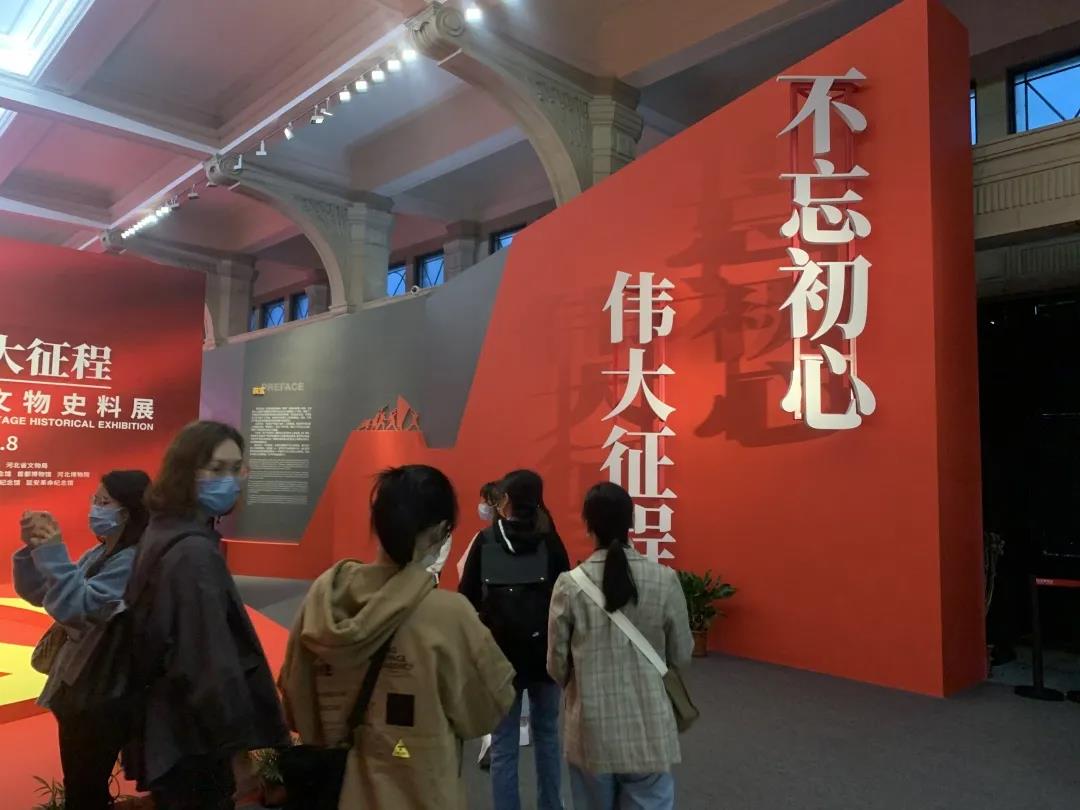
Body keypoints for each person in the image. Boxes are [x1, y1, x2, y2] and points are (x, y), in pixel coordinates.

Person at [279, 464, 516, 809]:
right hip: (422, 793)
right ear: (439, 531)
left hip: (334, 791)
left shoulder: (323, 601)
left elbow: (294, 702)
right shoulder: (451, 616)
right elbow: (485, 713)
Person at [122, 420, 288, 810]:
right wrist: (237, 750)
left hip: (171, 730)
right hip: (195, 739)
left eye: (235, 468)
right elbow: (208, 662)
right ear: (185, 471)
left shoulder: (164, 531)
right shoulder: (192, 552)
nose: (229, 480)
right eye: (215, 469)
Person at [547, 482, 693, 810]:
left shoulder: (569, 585)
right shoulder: (664, 579)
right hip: (650, 728)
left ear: (587, 524)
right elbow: (682, 654)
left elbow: (556, 664)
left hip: (591, 729)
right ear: (632, 522)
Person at [12, 470, 151, 810]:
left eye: (104, 502)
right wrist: (35, 550)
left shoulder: (133, 561)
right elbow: (43, 594)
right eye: (94, 499)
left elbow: (77, 608)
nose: (95, 508)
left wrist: (53, 553)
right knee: (81, 777)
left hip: (101, 691)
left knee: (85, 781)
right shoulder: (99, 553)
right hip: (77, 683)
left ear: (127, 512)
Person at [460, 469, 570, 810]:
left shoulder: (486, 541)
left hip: (500, 658)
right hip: (545, 656)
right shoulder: (551, 541)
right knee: (548, 736)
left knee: (503, 743)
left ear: (505, 499)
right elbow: (565, 597)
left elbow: (466, 599)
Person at [456, 480, 503, 771]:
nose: (482, 507)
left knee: (487, 682)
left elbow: (465, 576)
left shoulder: (484, 538)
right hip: (523, 626)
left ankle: (490, 739)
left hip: (488, 618)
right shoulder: (538, 538)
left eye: (486, 501)